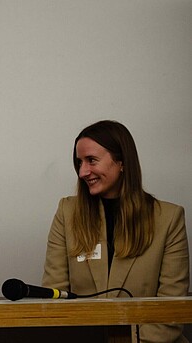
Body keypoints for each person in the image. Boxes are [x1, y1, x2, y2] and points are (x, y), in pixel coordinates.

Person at [42, 120, 189, 342]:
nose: (83, 171)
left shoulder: (169, 218)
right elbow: (54, 300)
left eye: (91, 160)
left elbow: (171, 312)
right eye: (79, 162)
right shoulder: (67, 212)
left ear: (121, 162)